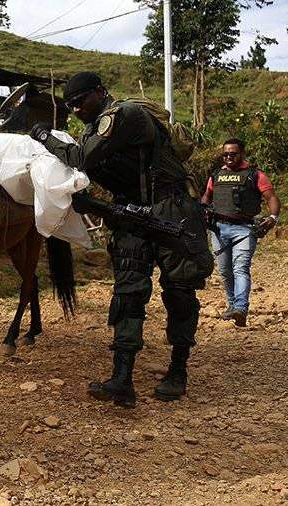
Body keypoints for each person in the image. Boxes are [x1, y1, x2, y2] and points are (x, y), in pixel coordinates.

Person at [29, 72, 213, 408]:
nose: (75, 110)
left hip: (171, 209)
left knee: (179, 293)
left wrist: (44, 136)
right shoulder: (92, 128)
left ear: (100, 93)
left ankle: (178, 371)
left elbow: (81, 158)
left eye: (79, 102)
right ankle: (122, 379)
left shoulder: (124, 115)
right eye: (69, 106)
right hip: (132, 215)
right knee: (128, 295)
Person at [200, 138, 281, 327]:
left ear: (241, 154)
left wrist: (273, 217)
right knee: (225, 271)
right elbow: (207, 195)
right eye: (225, 154)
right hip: (218, 229)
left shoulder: (255, 174)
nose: (228, 157)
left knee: (240, 267)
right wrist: (202, 209)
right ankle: (232, 306)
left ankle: (241, 308)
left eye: (233, 154)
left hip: (244, 229)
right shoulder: (217, 175)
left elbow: (271, 197)